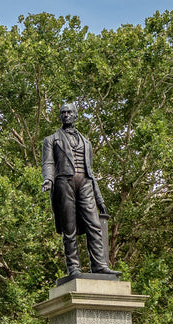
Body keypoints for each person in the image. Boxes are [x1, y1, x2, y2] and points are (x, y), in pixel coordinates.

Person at [41, 102, 120, 279]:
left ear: (76, 115)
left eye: (70, 112)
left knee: (94, 225)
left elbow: (90, 172)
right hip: (64, 183)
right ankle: (74, 268)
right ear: (60, 116)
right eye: (63, 112)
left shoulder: (86, 142)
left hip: (85, 184)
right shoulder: (51, 140)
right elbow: (48, 163)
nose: (66, 115)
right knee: (69, 228)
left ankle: (100, 265)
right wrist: (48, 179)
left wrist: (100, 199)